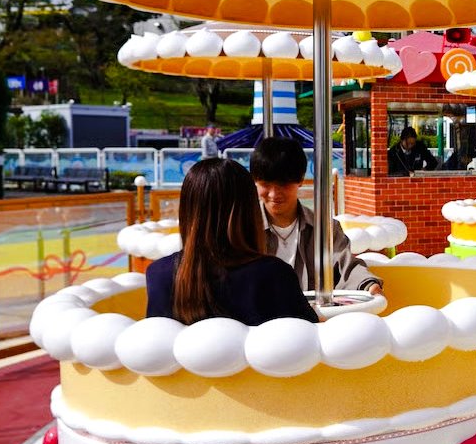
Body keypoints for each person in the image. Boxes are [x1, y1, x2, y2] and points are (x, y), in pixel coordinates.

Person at [145, 158, 316, 325]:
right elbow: (309, 338)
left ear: (187, 210)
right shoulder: (274, 274)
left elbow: (157, 343)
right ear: (249, 211)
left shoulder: (159, 274)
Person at [250, 137, 384, 294]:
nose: (274, 194)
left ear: (300, 180)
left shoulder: (325, 228)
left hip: (314, 317)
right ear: (255, 181)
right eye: (265, 184)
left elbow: (346, 266)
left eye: (283, 184)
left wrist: (368, 285)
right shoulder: (244, 228)